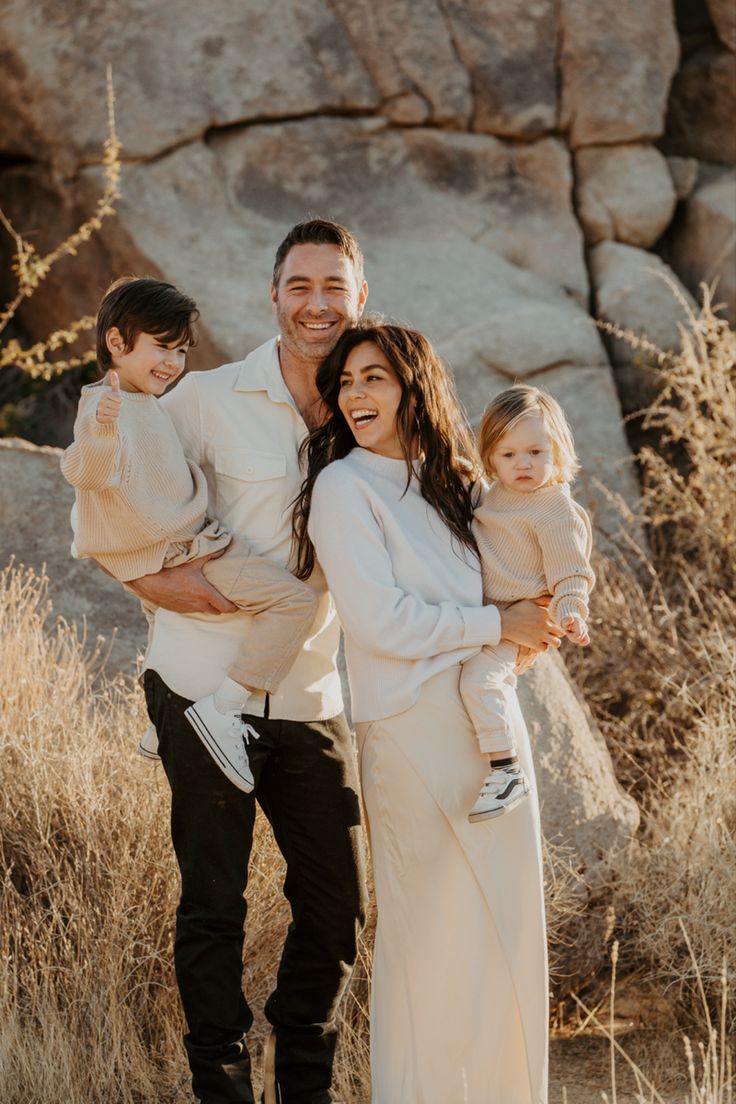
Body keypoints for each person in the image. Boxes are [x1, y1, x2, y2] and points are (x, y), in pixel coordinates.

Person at [84, 222, 370, 1104]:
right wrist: (151, 580)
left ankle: (305, 1081)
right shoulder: (204, 396)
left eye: (334, 286)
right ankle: (221, 1085)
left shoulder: (376, 401)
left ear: (360, 295)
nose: (317, 303)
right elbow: (102, 497)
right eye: (299, 285)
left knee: (335, 907)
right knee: (215, 903)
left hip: (311, 693)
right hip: (202, 687)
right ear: (273, 295)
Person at [294, 322, 561, 1103]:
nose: (354, 394)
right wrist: (495, 626)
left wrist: (543, 612)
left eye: (373, 377)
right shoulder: (344, 489)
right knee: (428, 941)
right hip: (410, 731)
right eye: (344, 382)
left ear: (414, 386)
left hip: (490, 729)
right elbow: (380, 624)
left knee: (507, 933)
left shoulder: (456, 484)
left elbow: (522, 569)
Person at [61, 276, 320, 793]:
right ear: (117, 343)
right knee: (294, 603)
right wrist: (101, 428)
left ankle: (163, 728)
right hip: (193, 548)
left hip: (171, 547)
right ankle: (222, 710)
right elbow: (86, 473)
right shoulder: (105, 408)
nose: (173, 363)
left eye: (180, 351)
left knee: (162, 621)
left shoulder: (145, 402)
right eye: (162, 347)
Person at [461, 384, 595, 823]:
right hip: (486, 614)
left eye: (536, 452)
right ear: (491, 458)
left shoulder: (553, 506)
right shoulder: (492, 493)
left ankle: (506, 770)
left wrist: (571, 609)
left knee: (480, 682)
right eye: (509, 454)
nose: (523, 464)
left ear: (557, 450)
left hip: (519, 619)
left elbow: (570, 570)